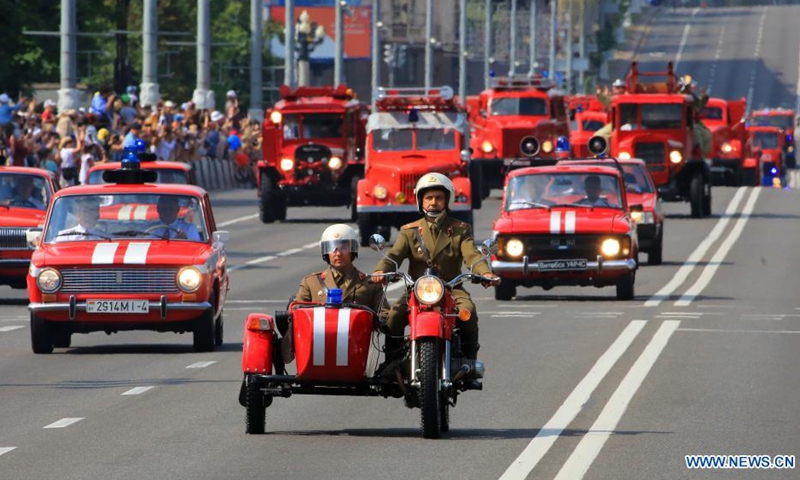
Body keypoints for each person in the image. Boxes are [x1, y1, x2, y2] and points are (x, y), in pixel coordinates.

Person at [371, 173, 500, 367]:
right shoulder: (410, 230)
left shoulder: (460, 229)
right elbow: (395, 255)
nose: (433, 202)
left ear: (447, 200)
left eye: (438, 197)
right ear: (420, 200)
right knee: (394, 316)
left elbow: (472, 255)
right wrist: (381, 271)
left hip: (451, 287)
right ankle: (393, 363)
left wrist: (485, 273)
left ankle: (468, 363)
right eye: (428, 197)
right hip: (416, 288)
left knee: (468, 311)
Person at [282, 224, 386, 363]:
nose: (337, 252)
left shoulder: (370, 284)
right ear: (326, 252)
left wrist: (378, 319)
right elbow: (296, 312)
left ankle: (391, 365)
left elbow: (385, 314)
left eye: (343, 247)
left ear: (352, 250)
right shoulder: (311, 282)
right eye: (332, 247)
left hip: (356, 351)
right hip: (317, 349)